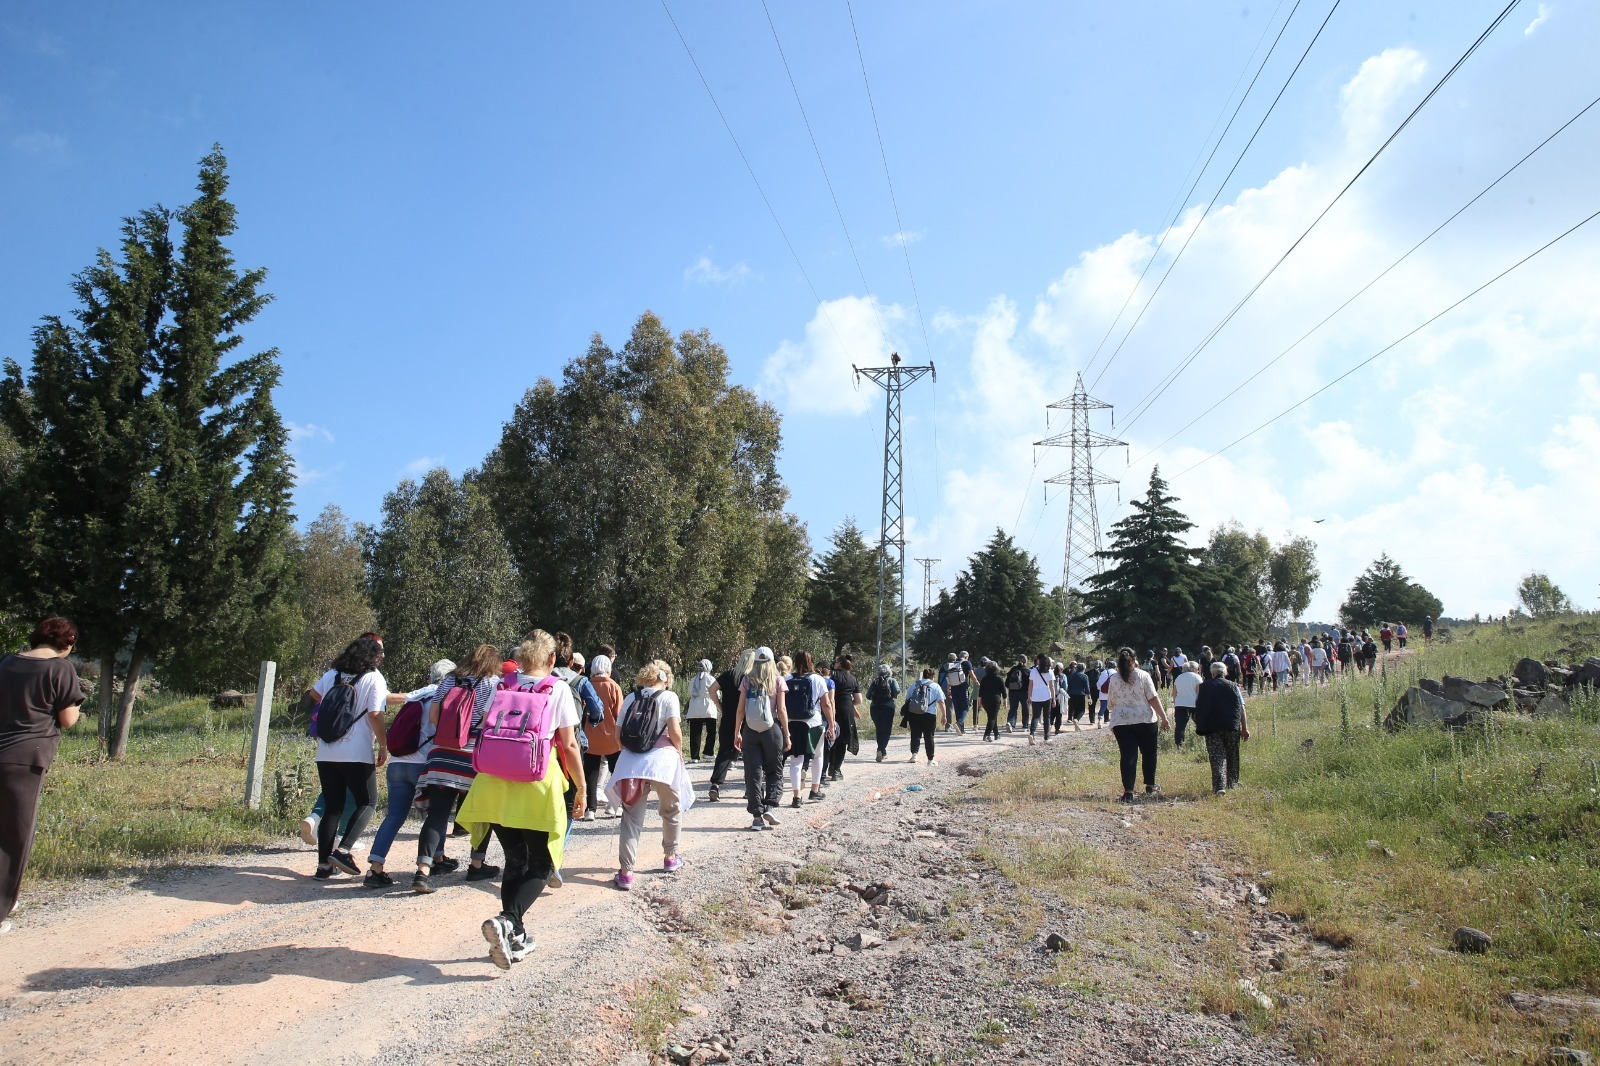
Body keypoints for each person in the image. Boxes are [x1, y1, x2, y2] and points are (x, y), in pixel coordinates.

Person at [457, 631, 586, 968]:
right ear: (553, 660)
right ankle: (507, 921)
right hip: (535, 783)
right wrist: (582, 787)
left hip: (492, 784)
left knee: (515, 859)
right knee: (541, 863)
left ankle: (514, 936)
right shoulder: (557, 688)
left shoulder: (502, 685)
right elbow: (569, 745)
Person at [0, 617, 84, 931]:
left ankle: (7, 896)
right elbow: (68, 719)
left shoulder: (7, 661)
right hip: (26, 760)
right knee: (15, 837)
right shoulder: (60, 669)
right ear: (68, 643)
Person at [412, 644, 502, 894]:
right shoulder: (493, 683)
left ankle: (422, 871)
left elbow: (433, 717)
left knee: (438, 814)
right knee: (483, 812)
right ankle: (476, 864)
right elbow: (488, 721)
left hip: (441, 754)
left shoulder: (450, 679)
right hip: (473, 757)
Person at [364, 658, 454, 888]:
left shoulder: (418, 694)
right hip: (424, 764)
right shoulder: (445, 696)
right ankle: (432, 860)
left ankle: (375, 868)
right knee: (435, 813)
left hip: (398, 763)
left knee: (394, 817)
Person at [607, 660, 691, 890]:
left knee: (632, 817)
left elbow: (618, 733)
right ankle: (670, 858)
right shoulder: (669, 697)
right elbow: (674, 731)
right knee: (671, 809)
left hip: (631, 763)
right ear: (665, 680)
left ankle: (626, 873)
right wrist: (679, 751)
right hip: (662, 763)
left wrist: (629, 753)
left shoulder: (631, 698)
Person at [310, 635, 389, 880]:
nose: (382, 656)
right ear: (370, 655)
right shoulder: (373, 677)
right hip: (356, 752)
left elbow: (314, 694)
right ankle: (344, 850)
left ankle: (323, 866)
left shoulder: (332, 674)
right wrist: (383, 744)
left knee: (332, 807)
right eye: (378, 652)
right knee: (368, 802)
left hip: (326, 750)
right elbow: (375, 714)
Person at [734, 647, 790, 831]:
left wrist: (737, 732)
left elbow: (740, 709)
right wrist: (787, 734)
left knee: (753, 773)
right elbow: (781, 710)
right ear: (772, 661)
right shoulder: (778, 680)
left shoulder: (746, 680)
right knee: (774, 770)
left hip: (750, 729)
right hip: (771, 729)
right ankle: (771, 806)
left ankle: (757, 818)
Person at [1105, 647, 1171, 802]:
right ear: (1135, 660)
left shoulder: (1114, 678)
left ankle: (1128, 791)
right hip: (1145, 720)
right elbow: (1153, 698)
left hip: (1121, 721)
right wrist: (1164, 717)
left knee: (1128, 755)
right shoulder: (1143, 675)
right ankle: (1150, 785)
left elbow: (1111, 703)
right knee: (1149, 753)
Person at [785, 651, 835, 807]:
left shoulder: (788, 679)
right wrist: (832, 724)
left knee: (796, 760)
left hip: (792, 722)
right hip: (813, 722)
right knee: (818, 756)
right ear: (811, 663)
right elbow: (826, 704)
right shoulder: (817, 679)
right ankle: (814, 790)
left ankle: (796, 797)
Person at [1192, 661, 1249, 795]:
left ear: (1212, 673)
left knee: (1216, 756)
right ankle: (1232, 782)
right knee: (1232, 754)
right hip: (1231, 725)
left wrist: (1198, 722)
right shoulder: (1234, 686)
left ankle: (1219, 786)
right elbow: (1241, 708)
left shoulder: (1202, 687)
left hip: (1211, 726)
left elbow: (1198, 706)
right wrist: (1245, 728)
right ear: (1226, 672)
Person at [581, 654, 623, 819]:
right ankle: (614, 806)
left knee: (591, 773)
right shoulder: (613, 686)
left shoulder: (587, 685)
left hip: (590, 736)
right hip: (612, 737)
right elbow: (619, 714)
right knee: (617, 772)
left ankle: (589, 810)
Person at [824, 655, 860, 781]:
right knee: (843, 740)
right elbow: (858, 700)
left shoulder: (832, 674)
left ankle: (829, 765)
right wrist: (850, 704)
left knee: (830, 737)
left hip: (830, 708)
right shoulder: (853, 678)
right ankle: (836, 770)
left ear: (839, 663)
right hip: (847, 709)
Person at [903, 667, 943, 766]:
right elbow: (941, 701)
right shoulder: (935, 686)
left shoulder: (914, 685)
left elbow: (907, 700)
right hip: (930, 714)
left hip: (914, 713)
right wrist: (944, 715)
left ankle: (914, 755)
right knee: (929, 736)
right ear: (933, 676)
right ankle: (930, 759)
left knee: (915, 735)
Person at [685, 659, 718, 763]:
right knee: (711, 731)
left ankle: (694, 757)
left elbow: (690, 693)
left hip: (695, 708)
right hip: (708, 707)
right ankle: (708, 753)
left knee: (695, 732)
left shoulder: (693, 679)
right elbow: (716, 694)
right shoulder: (711, 679)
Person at [866, 664, 899, 762]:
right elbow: (897, 690)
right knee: (886, 730)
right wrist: (892, 695)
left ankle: (882, 752)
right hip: (888, 707)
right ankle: (880, 750)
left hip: (874, 707)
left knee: (879, 729)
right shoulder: (892, 680)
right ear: (889, 672)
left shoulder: (875, 681)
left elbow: (868, 695)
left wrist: (875, 697)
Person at [1171, 660, 1201, 749]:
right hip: (1194, 704)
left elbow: (1174, 693)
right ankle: (1200, 742)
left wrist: (1175, 703)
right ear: (1191, 668)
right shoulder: (1197, 677)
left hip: (1180, 704)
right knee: (1200, 724)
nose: (1197, 670)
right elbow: (1199, 692)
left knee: (1180, 727)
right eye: (1196, 668)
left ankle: (1179, 745)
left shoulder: (1179, 677)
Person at [1026, 655, 1055, 744]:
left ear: (1038, 661)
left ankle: (1031, 733)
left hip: (1035, 696)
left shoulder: (1033, 671)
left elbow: (1030, 685)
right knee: (1046, 717)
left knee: (1035, 716)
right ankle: (1046, 737)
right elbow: (1052, 686)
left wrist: (1029, 697)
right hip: (1046, 695)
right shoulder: (1050, 671)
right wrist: (1054, 699)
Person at [977, 658, 1006, 741]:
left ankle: (997, 734)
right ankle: (986, 734)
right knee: (992, 718)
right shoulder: (999, 678)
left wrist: (980, 703)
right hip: (995, 700)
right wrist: (1005, 702)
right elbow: (1004, 692)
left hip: (985, 700)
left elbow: (980, 693)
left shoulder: (984, 679)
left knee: (992, 716)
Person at [1004, 657, 1028, 731]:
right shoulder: (1027, 670)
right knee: (1025, 708)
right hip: (1024, 692)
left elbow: (1007, 682)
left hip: (1013, 692)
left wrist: (1010, 688)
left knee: (1013, 708)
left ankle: (1011, 723)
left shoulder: (1013, 669)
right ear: (1026, 661)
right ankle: (1025, 725)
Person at [1066, 661, 1091, 730]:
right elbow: (1087, 688)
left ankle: (1076, 724)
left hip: (1072, 694)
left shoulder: (1072, 675)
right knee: (1082, 710)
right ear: (1083, 668)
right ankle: (1076, 719)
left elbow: (1069, 685)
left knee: (1075, 709)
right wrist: (1089, 697)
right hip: (1080, 694)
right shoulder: (1084, 676)